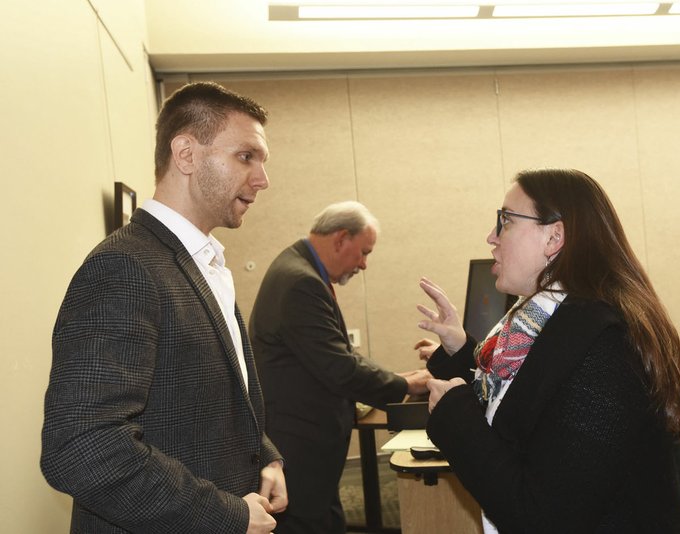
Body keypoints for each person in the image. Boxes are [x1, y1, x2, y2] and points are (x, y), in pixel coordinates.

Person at [41, 82, 287, 534]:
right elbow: (81, 448)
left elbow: (208, 400)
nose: (262, 179)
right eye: (246, 156)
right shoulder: (124, 267)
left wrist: (264, 454)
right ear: (187, 154)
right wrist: (226, 515)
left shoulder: (204, 262)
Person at [416, 168, 680, 533]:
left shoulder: (604, 346)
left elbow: (542, 518)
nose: (492, 237)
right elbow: (519, 406)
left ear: (554, 238)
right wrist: (458, 351)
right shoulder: (546, 322)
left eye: (505, 221)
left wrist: (455, 417)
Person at [249, 201, 431, 534]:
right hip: (300, 445)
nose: (363, 264)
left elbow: (332, 356)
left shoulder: (297, 267)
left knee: (327, 520)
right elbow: (339, 367)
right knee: (310, 523)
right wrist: (406, 387)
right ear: (340, 238)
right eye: (364, 252)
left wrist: (401, 379)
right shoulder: (300, 282)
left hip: (303, 440)